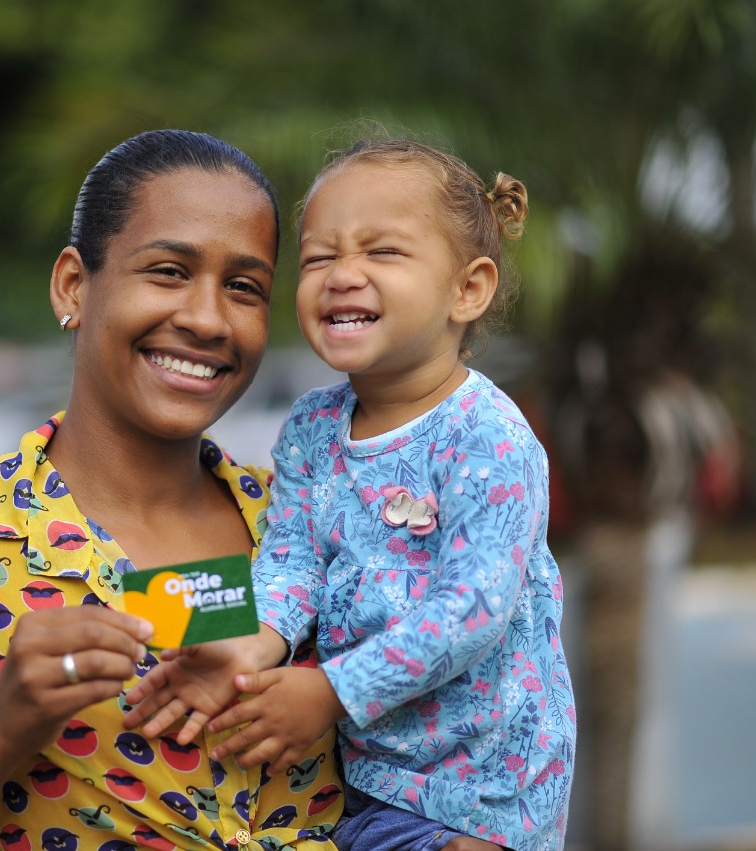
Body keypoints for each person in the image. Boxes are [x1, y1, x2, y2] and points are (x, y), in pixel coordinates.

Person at [0, 129, 345, 851]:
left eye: (244, 287)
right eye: (169, 270)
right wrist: (3, 723)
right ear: (74, 285)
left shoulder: (318, 525)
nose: (207, 318)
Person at [125, 134, 576, 851]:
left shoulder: (487, 434)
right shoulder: (312, 427)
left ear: (469, 288)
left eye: (382, 251)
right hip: (367, 782)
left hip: (479, 798)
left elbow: (475, 605)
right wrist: (255, 644)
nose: (342, 274)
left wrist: (334, 691)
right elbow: (294, 561)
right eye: (319, 257)